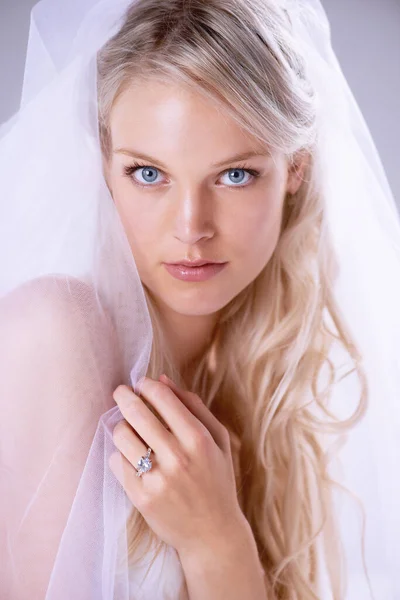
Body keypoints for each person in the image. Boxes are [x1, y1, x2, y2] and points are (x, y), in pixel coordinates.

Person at [0, 0, 399, 598]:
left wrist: (218, 542)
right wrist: (215, 543)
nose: (191, 227)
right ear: (106, 166)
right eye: (149, 173)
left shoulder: (264, 386)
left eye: (234, 174)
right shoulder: (56, 335)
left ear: (295, 168)